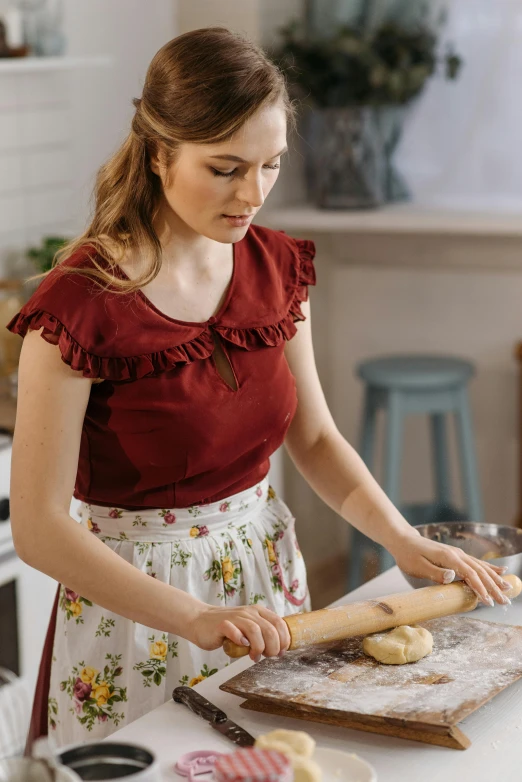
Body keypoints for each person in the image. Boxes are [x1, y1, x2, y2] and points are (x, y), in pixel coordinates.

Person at [7, 27, 511, 750]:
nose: (252, 194)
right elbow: (39, 527)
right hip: (135, 612)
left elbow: (313, 437)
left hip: (263, 579)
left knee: (274, 763)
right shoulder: (78, 305)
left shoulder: (276, 270)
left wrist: (401, 539)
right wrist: (188, 617)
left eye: (270, 164)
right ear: (158, 153)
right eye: (225, 168)